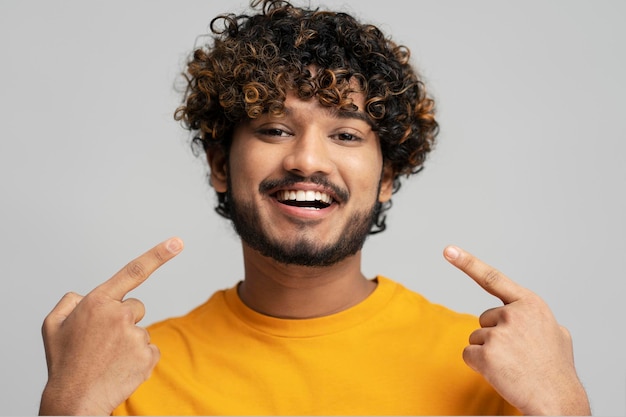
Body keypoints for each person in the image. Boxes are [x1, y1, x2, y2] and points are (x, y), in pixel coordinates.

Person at [38, 0, 591, 415]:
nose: (307, 160)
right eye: (275, 129)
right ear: (220, 167)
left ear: (387, 178)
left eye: (347, 135)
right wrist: (68, 405)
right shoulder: (121, 376)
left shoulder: (492, 371)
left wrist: (565, 406)